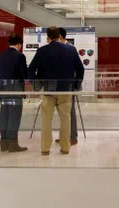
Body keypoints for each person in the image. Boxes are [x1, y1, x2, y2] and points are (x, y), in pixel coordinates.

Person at [28, 26, 84, 156]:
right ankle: (65, 147)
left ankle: (45, 148)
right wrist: (76, 85)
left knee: (46, 119)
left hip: (48, 90)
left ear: (48, 37)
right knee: (65, 119)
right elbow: (80, 69)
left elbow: (31, 69)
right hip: (66, 90)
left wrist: (36, 85)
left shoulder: (42, 51)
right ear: (59, 36)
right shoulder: (71, 50)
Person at [0, 34, 28, 153]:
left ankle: (3, 143)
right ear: (19, 44)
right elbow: (24, 74)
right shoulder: (20, 56)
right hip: (15, 88)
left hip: (2, 88)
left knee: (4, 114)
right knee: (14, 115)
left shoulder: (0, 55)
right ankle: (13, 143)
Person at [56, 27, 78, 147]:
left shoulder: (71, 49)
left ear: (60, 36)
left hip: (69, 86)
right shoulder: (60, 49)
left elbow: (77, 67)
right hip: (59, 86)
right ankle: (64, 136)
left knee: (70, 111)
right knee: (63, 112)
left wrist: (76, 84)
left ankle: (72, 137)